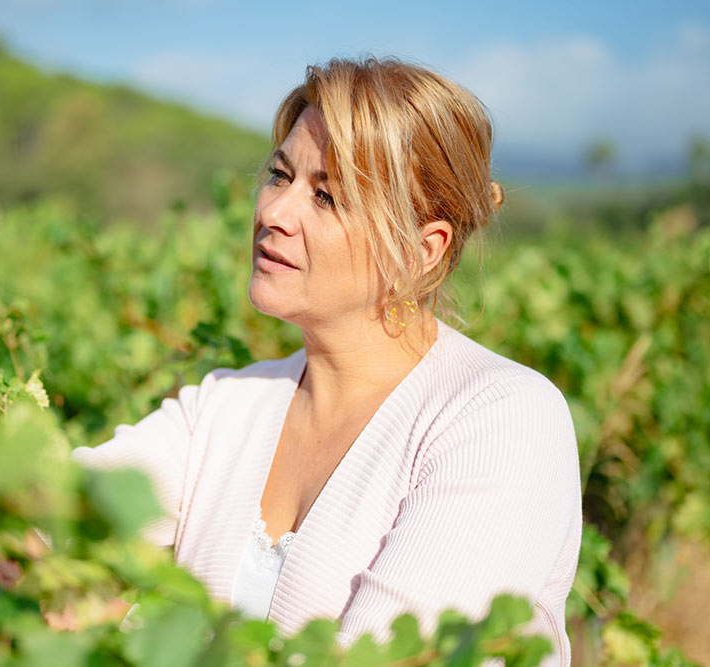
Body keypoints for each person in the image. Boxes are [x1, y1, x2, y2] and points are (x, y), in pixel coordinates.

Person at [72, 57, 582, 666]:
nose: (274, 214)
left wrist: (113, 623)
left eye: (327, 197)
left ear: (422, 251)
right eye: (280, 176)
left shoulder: (502, 419)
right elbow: (49, 515)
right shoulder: (225, 405)